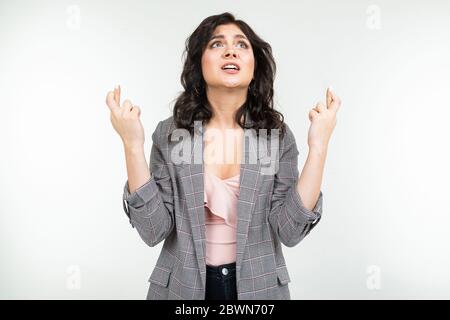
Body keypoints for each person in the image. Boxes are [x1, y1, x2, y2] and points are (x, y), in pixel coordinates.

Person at [105, 12, 341, 300]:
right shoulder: (170, 134)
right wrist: (132, 144)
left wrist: (319, 146)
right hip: (182, 292)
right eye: (217, 44)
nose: (230, 50)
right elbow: (154, 230)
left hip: (260, 292)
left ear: (255, 66)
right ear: (199, 64)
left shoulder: (277, 137)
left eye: (241, 45)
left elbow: (289, 231)